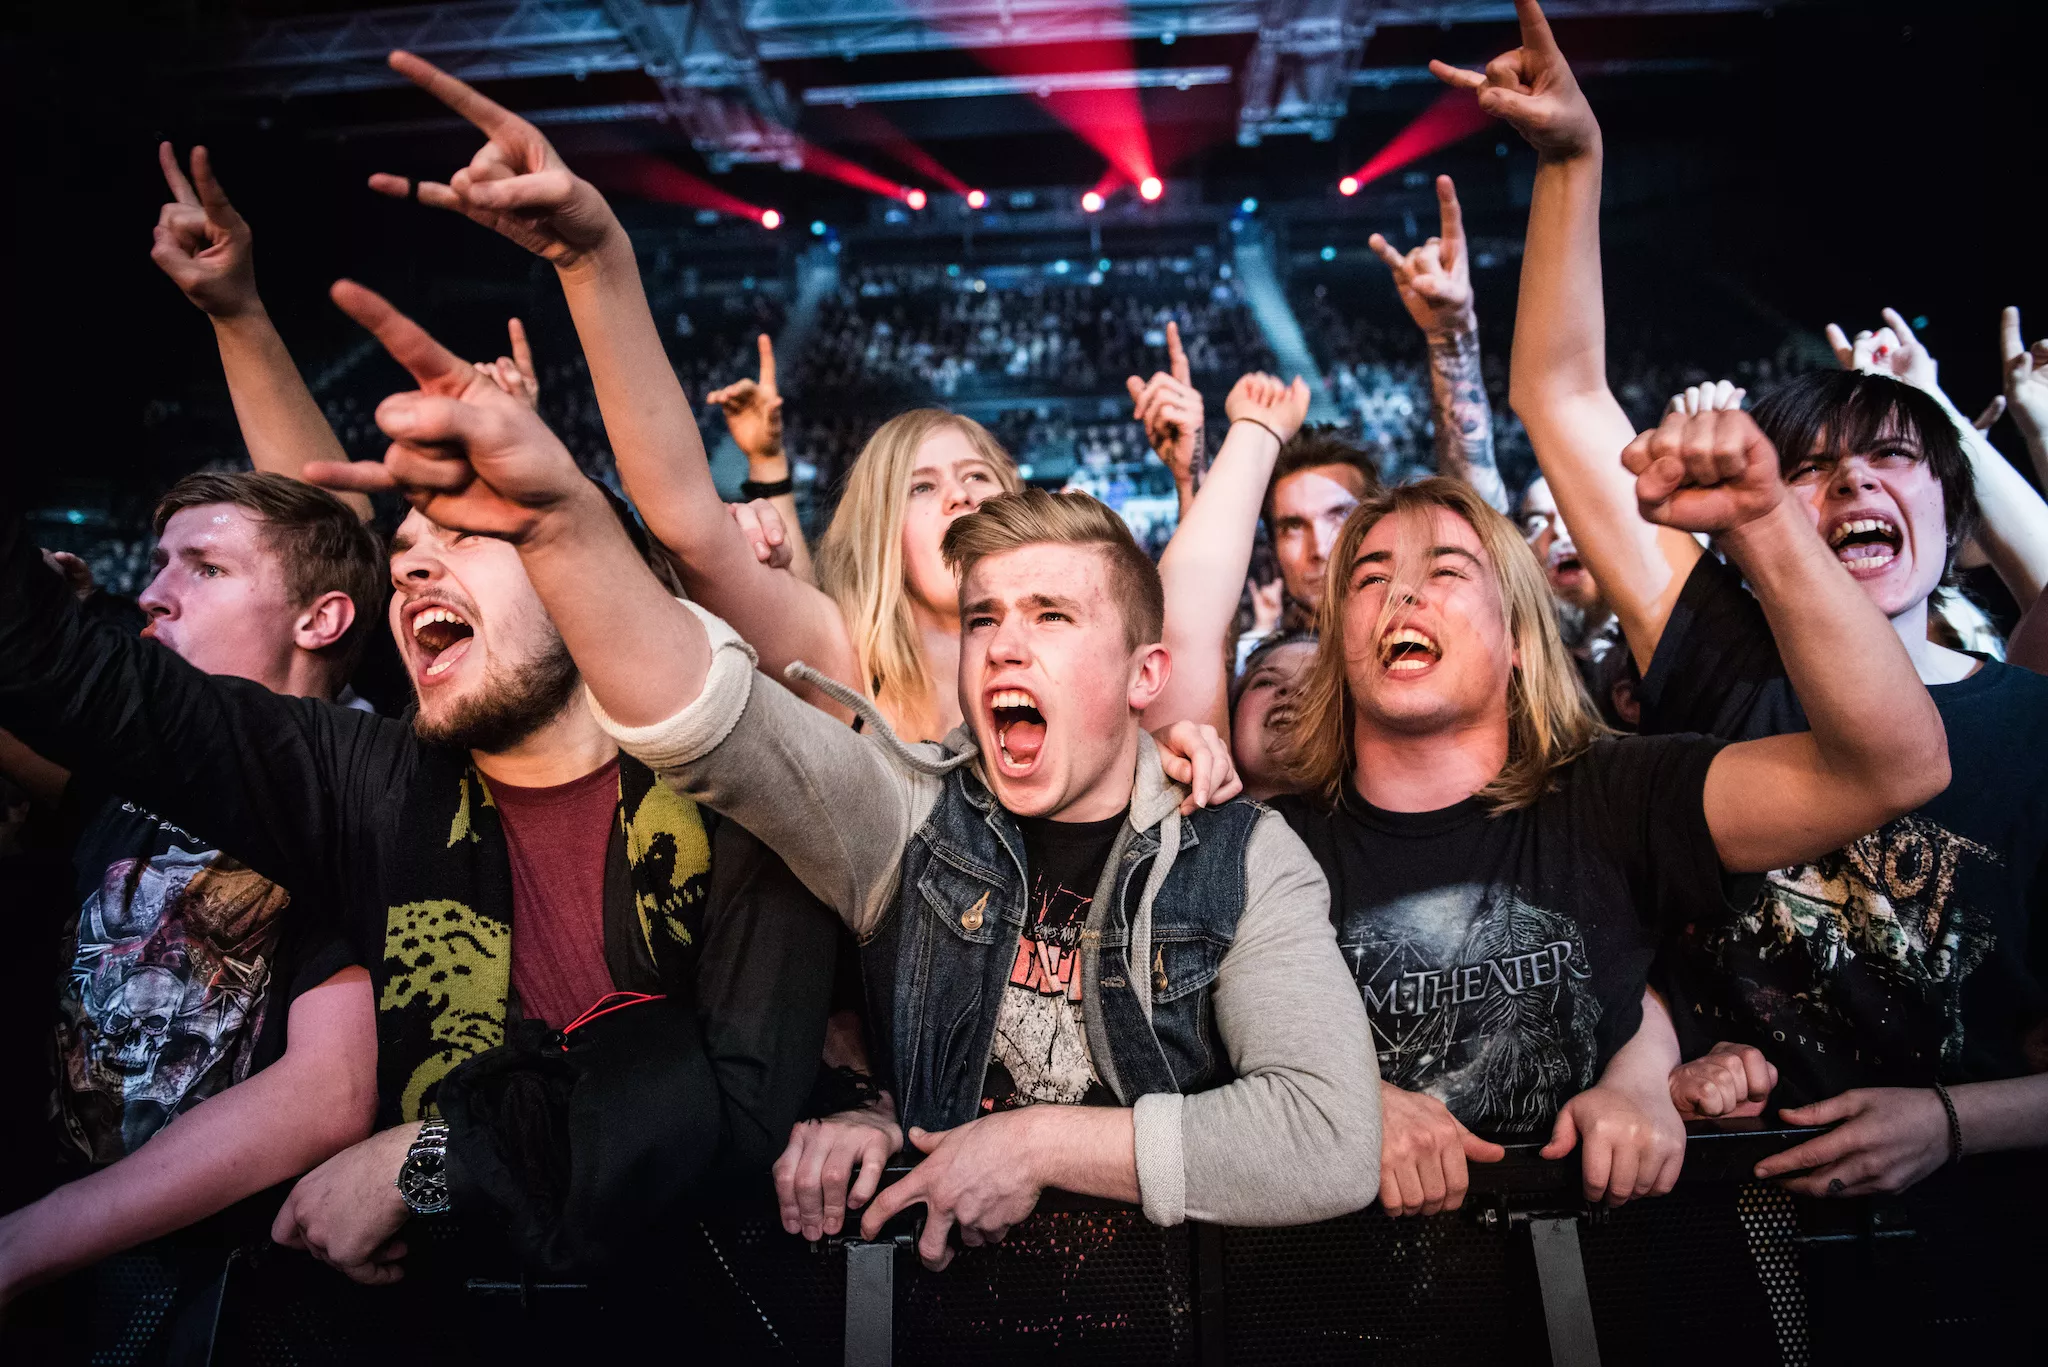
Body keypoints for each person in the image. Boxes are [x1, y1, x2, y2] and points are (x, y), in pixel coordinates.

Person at [306, 333, 1385, 1271]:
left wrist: (1034, 1144)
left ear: (1146, 678)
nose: (1004, 640)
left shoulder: (1242, 853)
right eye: (984, 618)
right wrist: (559, 525)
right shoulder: (908, 820)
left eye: (1050, 615)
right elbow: (707, 710)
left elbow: (1327, 1134)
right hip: (925, 1319)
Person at [0, 281, 844, 1315]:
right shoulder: (365, 779)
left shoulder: (735, 793)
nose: (414, 570)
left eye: (464, 536)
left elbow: (723, 1119)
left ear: (591, 574)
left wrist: (426, 1162)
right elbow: (92, 684)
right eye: (403, 556)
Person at [1473, 0, 2048, 1202]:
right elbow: (1562, 393)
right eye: (1814, 465)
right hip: (1729, 1226)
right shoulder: (1721, 657)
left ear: (1954, 528)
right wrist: (1574, 162)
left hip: (1979, 1237)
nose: (1850, 480)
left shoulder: (2035, 724)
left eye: (1892, 459)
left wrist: (1952, 1119)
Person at [1269, 421, 1949, 1214]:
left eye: (1446, 570)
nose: (1405, 594)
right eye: (1372, 577)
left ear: (1519, 638)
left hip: (1620, 1303)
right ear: (1338, 635)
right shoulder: (1270, 845)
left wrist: (1766, 523)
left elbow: (1894, 766)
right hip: (1356, 1319)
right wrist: (1337, 1098)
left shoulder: (1622, 790)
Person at [0, 472, 381, 1312]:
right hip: (86, 1295)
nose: (152, 594)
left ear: (320, 618)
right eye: (160, 563)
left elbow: (326, 1092)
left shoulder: (355, 796)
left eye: (204, 568)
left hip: (228, 1302)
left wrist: (25, 1241)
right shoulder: (121, 781)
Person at [1521, 474, 1636, 728]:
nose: (1560, 532)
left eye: (1580, 512)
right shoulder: (1519, 663)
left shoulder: (1653, 644)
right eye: (1538, 524)